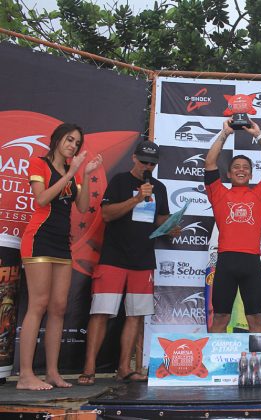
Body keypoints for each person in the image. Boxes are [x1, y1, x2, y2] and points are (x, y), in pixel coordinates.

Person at [78, 140, 175, 386]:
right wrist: (136, 200)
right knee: (101, 312)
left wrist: (172, 226)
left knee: (136, 315)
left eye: (153, 163)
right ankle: (89, 369)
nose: (148, 166)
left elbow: (160, 217)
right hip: (114, 257)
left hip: (143, 259)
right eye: (144, 161)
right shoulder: (120, 181)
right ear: (134, 158)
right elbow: (107, 215)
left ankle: (124, 368)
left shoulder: (159, 188)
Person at [18, 123, 103, 390]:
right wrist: (73, 173)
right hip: (39, 239)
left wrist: (86, 175)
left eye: (77, 143)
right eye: (69, 140)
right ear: (56, 139)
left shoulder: (72, 172)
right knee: (38, 304)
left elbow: (81, 205)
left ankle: (52, 372)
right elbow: (42, 199)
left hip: (61, 243)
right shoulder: (39, 163)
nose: (73, 146)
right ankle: (25, 375)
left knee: (58, 307)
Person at [204, 118, 261, 334]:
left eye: (246, 167)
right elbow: (210, 163)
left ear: (251, 174)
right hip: (226, 261)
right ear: (228, 173)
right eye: (236, 167)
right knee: (220, 317)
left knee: (256, 317)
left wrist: (259, 135)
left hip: (251, 263)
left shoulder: (260, 193)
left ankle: (257, 365)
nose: (241, 170)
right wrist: (225, 134)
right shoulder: (218, 193)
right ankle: (213, 365)